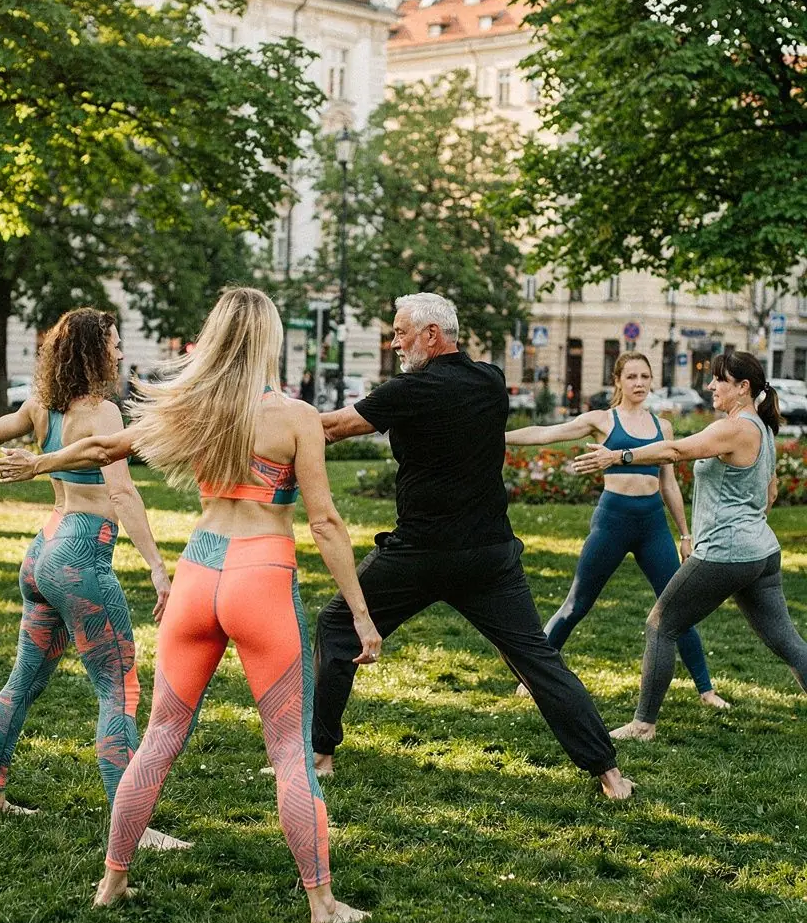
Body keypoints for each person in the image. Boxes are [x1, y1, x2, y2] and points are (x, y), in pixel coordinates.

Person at [0, 288, 381, 923]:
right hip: (261, 573)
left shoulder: (190, 408)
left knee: (160, 736)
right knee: (288, 748)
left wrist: (41, 462)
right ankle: (322, 902)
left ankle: (112, 884)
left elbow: (98, 453)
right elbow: (327, 524)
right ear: (268, 341)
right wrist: (362, 614)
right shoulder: (293, 416)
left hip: (200, 572)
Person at [311, 292, 633, 799]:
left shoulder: (408, 390)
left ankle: (322, 756)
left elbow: (329, 429)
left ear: (431, 335)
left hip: (419, 553)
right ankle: (609, 774)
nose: (394, 343)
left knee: (335, 625)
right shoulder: (489, 381)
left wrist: (269, 414)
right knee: (535, 656)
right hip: (488, 555)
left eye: (400, 333)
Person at [0, 308, 183, 852]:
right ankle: (134, 829)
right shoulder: (103, 415)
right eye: (114, 345)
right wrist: (156, 565)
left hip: (41, 554)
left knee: (21, 684)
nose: (121, 354)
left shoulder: (41, 406)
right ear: (93, 353)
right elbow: (122, 494)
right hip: (79, 556)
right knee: (118, 687)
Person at [574, 351, 807, 739]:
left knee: (661, 625)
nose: (711, 386)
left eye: (719, 380)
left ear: (742, 387)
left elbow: (676, 450)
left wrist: (619, 455)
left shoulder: (735, 428)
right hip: (761, 552)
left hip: (726, 553)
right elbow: (771, 491)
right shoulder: (762, 428)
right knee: (787, 641)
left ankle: (643, 724)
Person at [506, 353, 722, 711]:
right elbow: (546, 433)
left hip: (652, 525)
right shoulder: (602, 420)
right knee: (576, 605)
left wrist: (685, 534)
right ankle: (530, 678)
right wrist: (499, 437)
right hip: (612, 522)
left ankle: (706, 690)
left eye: (645, 376)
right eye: (632, 376)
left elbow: (669, 485)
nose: (639, 383)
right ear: (617, 381)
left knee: (677, 609)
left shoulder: (662, 427)